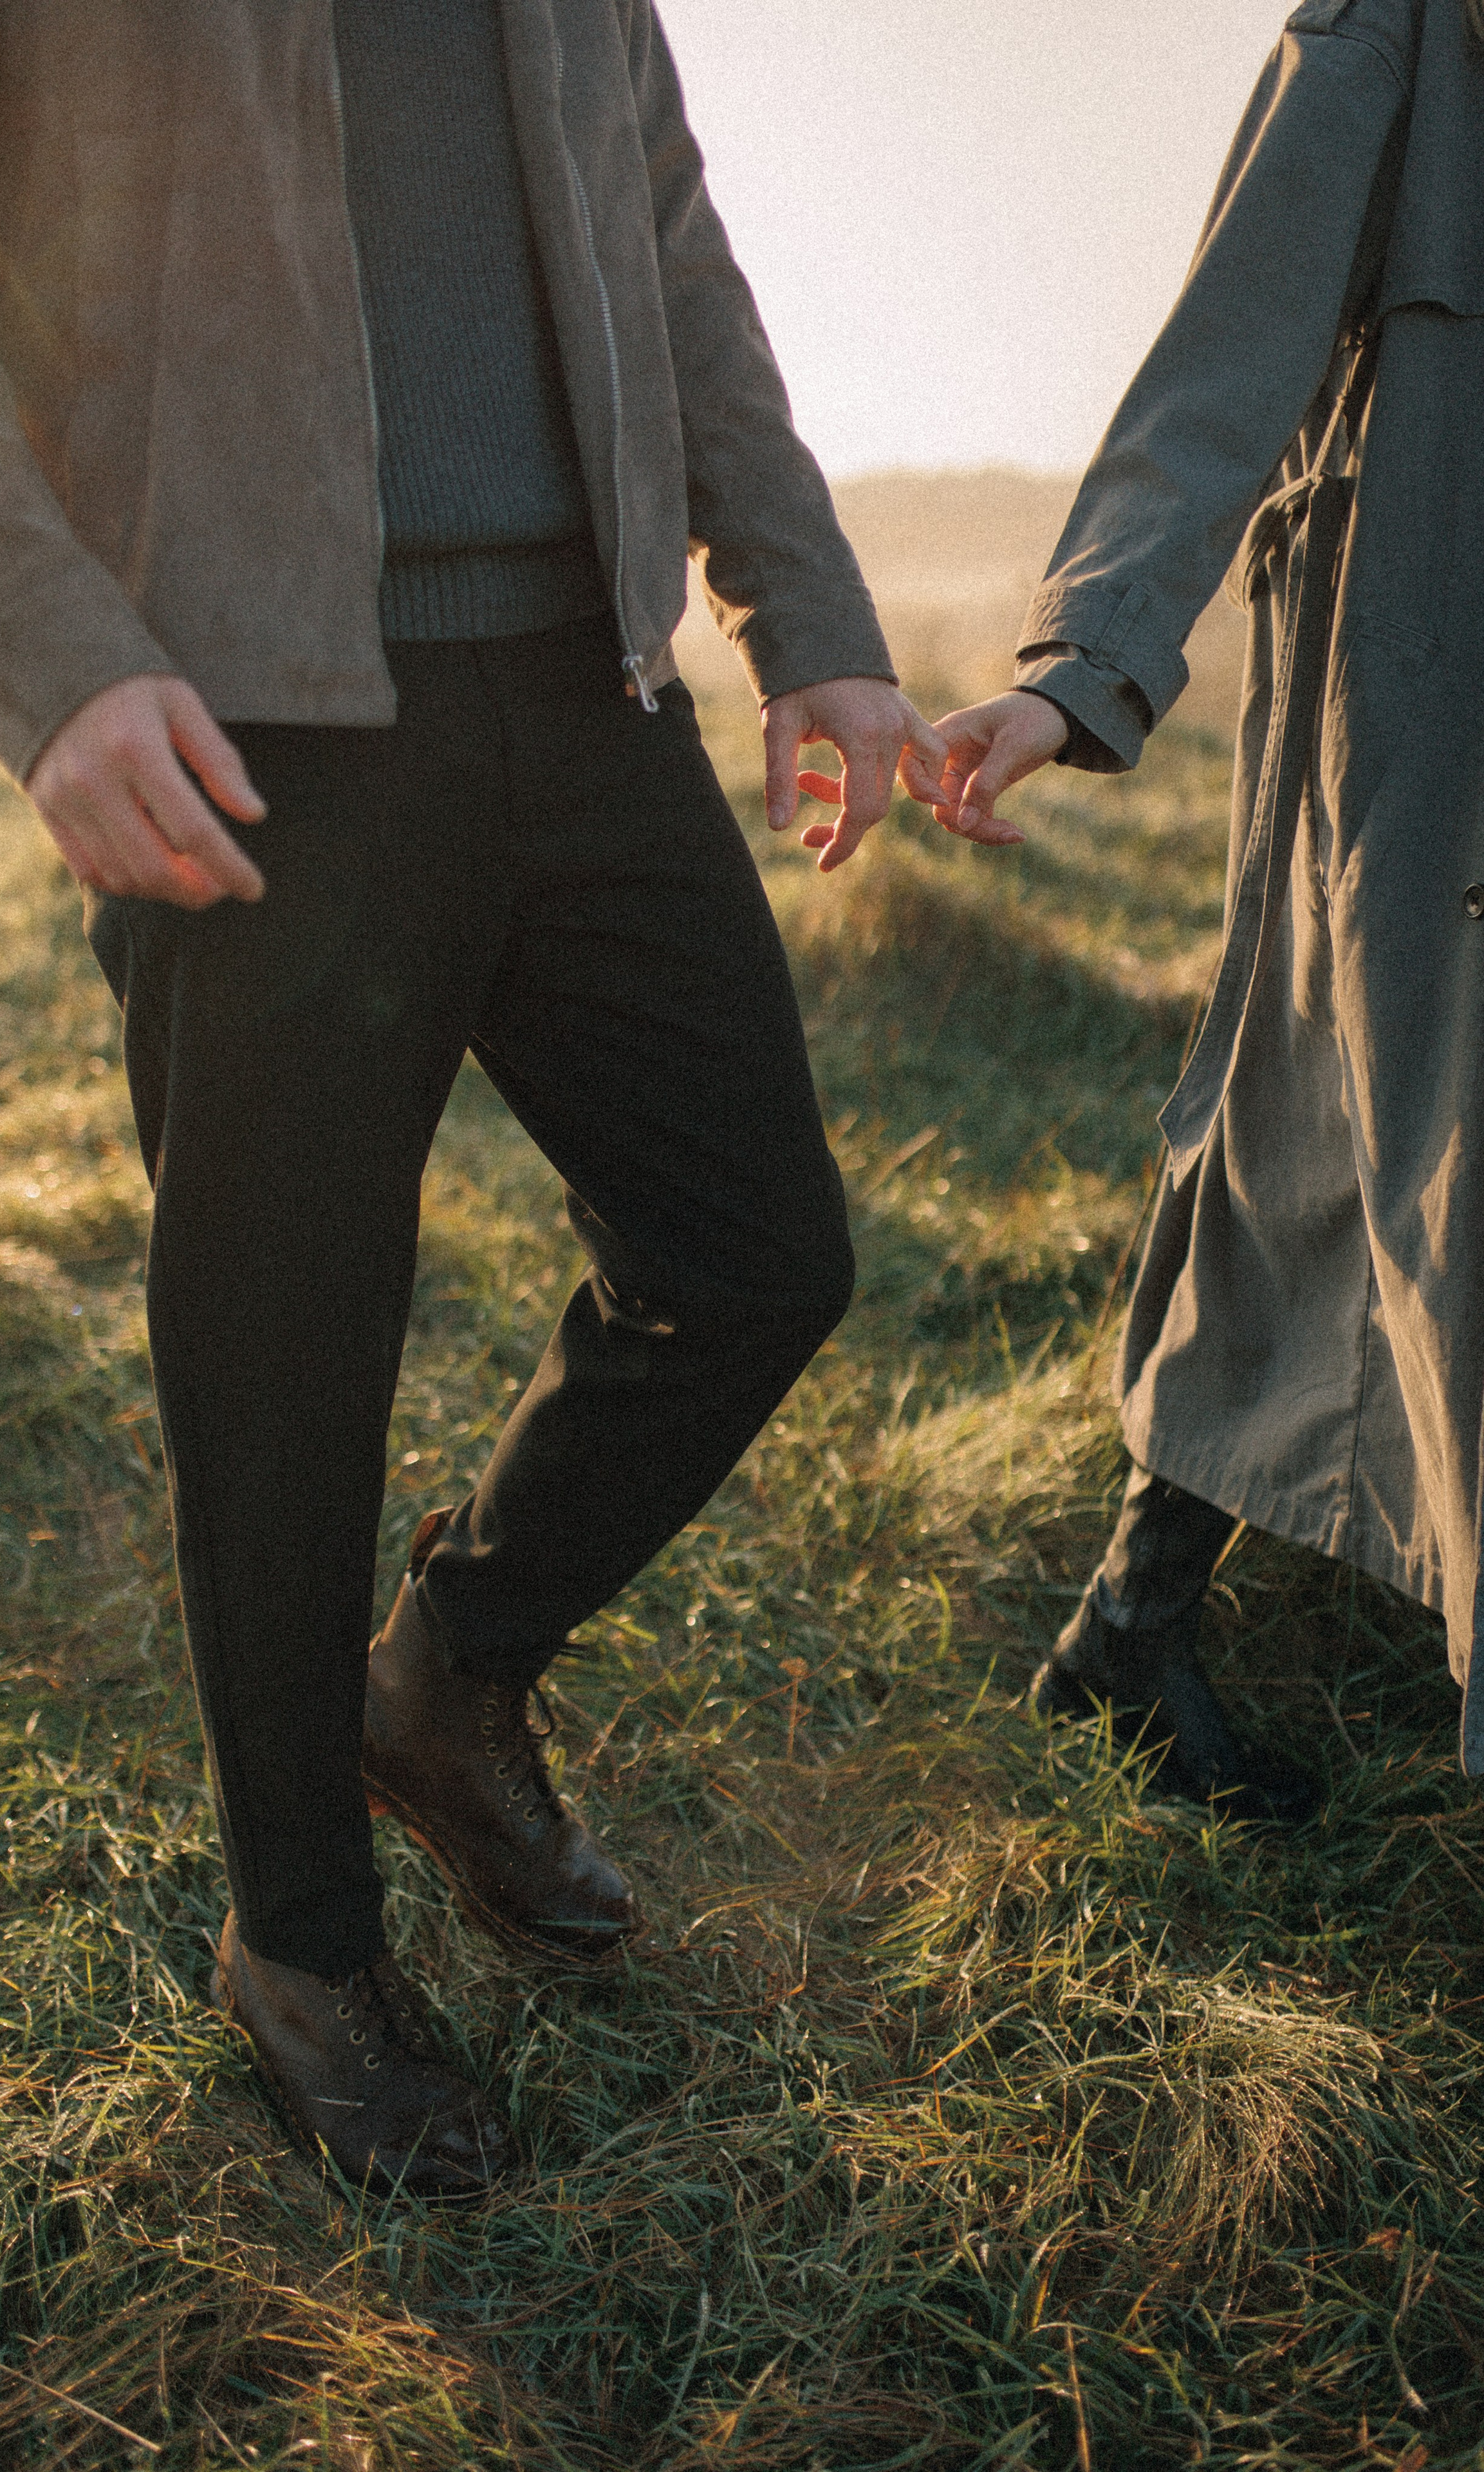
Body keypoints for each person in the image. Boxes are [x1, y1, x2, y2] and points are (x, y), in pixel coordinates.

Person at [0, 3, 947, 2198]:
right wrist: (42, 656)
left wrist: (803, 601)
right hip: (245, 705)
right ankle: (306, 1951)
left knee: (754, 1257)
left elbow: (665, 229)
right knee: (283, 1368)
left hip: (588, 686)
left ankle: (444, 1675)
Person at [924, 0, 1484, 1823]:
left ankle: (1130, 1623)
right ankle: (1133, 1623)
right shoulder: (1407, 23)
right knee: (1361, 1138)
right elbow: (1233, 338)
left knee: (1337, 1143)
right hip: (1427, 669)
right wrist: (1080, 664)